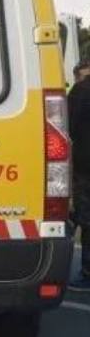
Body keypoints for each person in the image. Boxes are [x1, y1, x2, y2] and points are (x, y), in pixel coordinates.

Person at [69, 64, 90, 288]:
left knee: (84, 218)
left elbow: (69, 129)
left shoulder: (80, 91)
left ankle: (87, 272)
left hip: (85, 166)